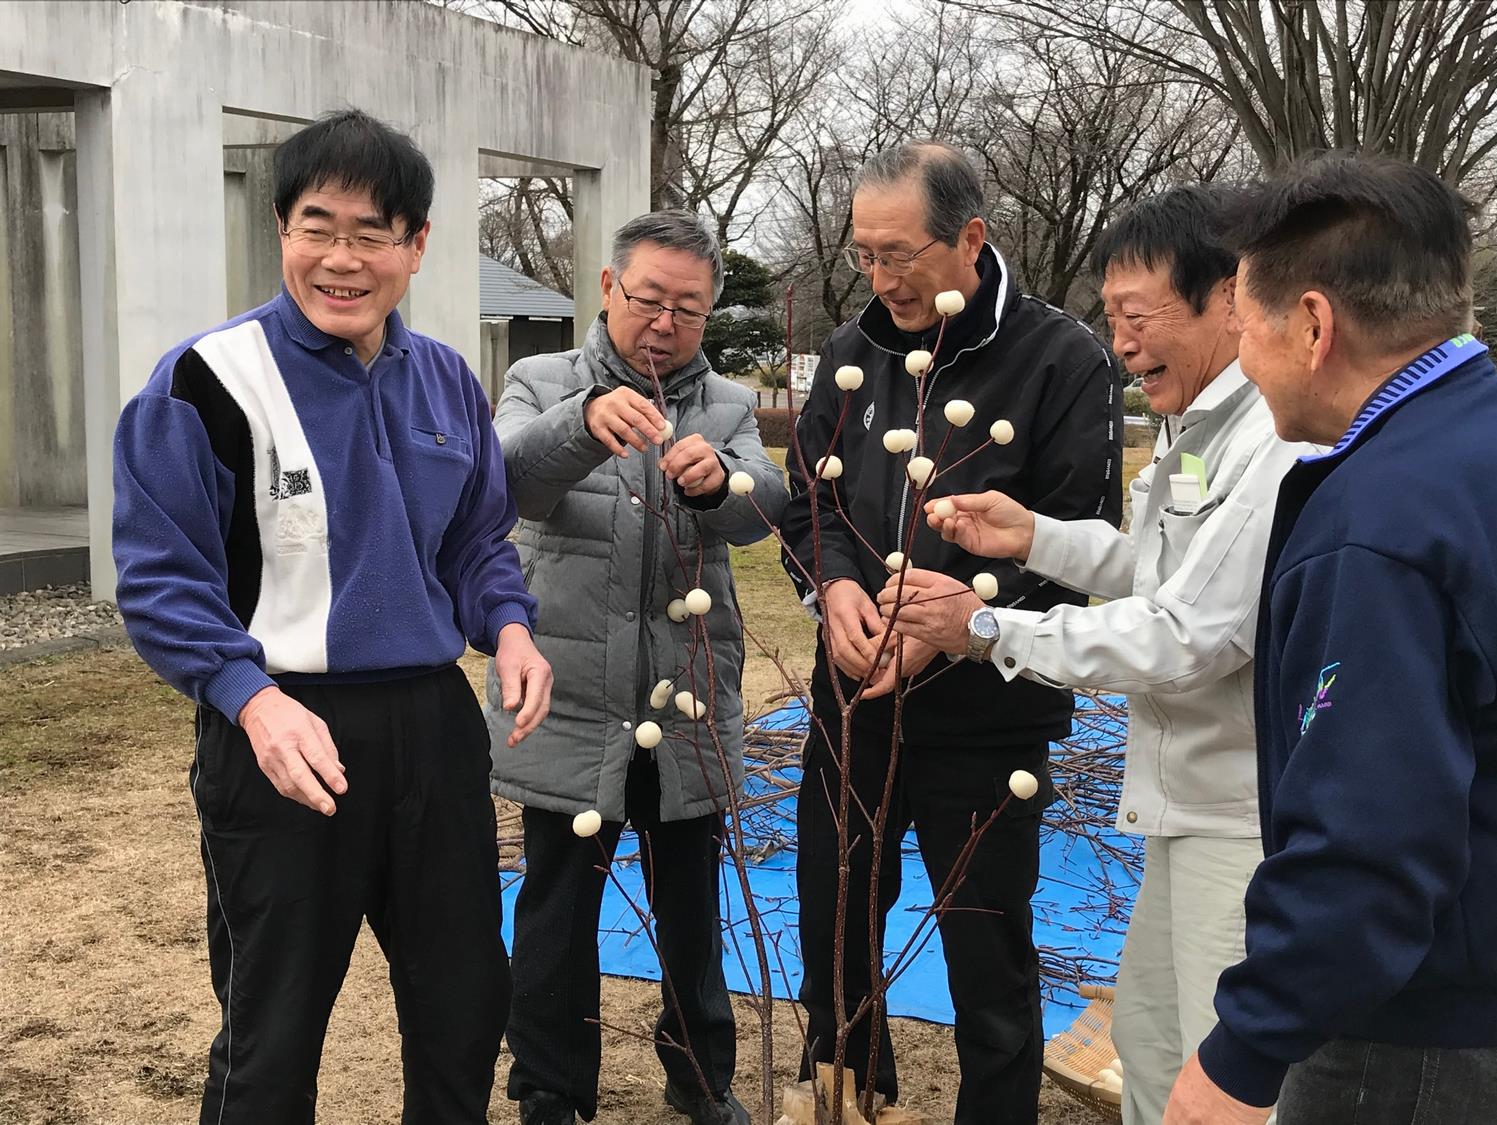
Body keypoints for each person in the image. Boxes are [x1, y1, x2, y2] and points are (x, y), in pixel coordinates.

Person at [111, 110, 551, 1124]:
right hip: (280, 734)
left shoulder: (445, 377)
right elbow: (160, 582)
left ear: (418, 245)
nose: (342, 259)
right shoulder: (205, 382)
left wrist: (512, 628)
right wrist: (250, 701)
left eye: (373, 233)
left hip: (434, 733)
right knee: (273, 1036)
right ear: (281, 229)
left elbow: (477, 542)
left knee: (464, 1005)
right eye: (320, 226)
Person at [889, 185, 1313, 1123]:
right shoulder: (1196, 427)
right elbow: (1161, 573)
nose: (1120, 341)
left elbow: (1186, 634)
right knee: (1152, 1042)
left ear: (1229, 299)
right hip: (1182, 799)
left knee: (1227, 1082)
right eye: (1110, 314)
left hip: (1242, 813)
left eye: (1138, 314)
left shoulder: (1270, 443)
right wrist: (1034, 535)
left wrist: (992, 627)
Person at [778, 140, 1123, 1124]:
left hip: (990, 713)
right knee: (832, 928)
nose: (880, 279)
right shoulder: (851, 356)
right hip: (854, 701)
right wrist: (832, 593)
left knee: (985, 948)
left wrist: (953, 625)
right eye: (865, 255)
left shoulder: (1065, 359)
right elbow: (813, 506)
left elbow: (1080, 542)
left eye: (900, 254)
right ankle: (851, 1096)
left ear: (971, 238)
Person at [1161, 154, 1497, 1123]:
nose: (1241, 358)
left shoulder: (1380, 528)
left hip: (1424, 1037)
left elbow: (1372, 838)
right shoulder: (1470, 452)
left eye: (1245, 328)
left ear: (1312, 325)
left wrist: (1244, 1049)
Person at [488, 209, 788, 1125]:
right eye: (649, 299)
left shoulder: (727, 405)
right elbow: (504, 484)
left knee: (693, 910)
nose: (665, 323)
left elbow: (767, 507)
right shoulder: (540, 380)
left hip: (685, 696)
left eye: (688, 308)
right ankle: (549, 1084)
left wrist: (721, 483)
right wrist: (582, 426)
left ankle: (701, 1078)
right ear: (610, 288)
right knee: (555, 910)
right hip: (571, 694)